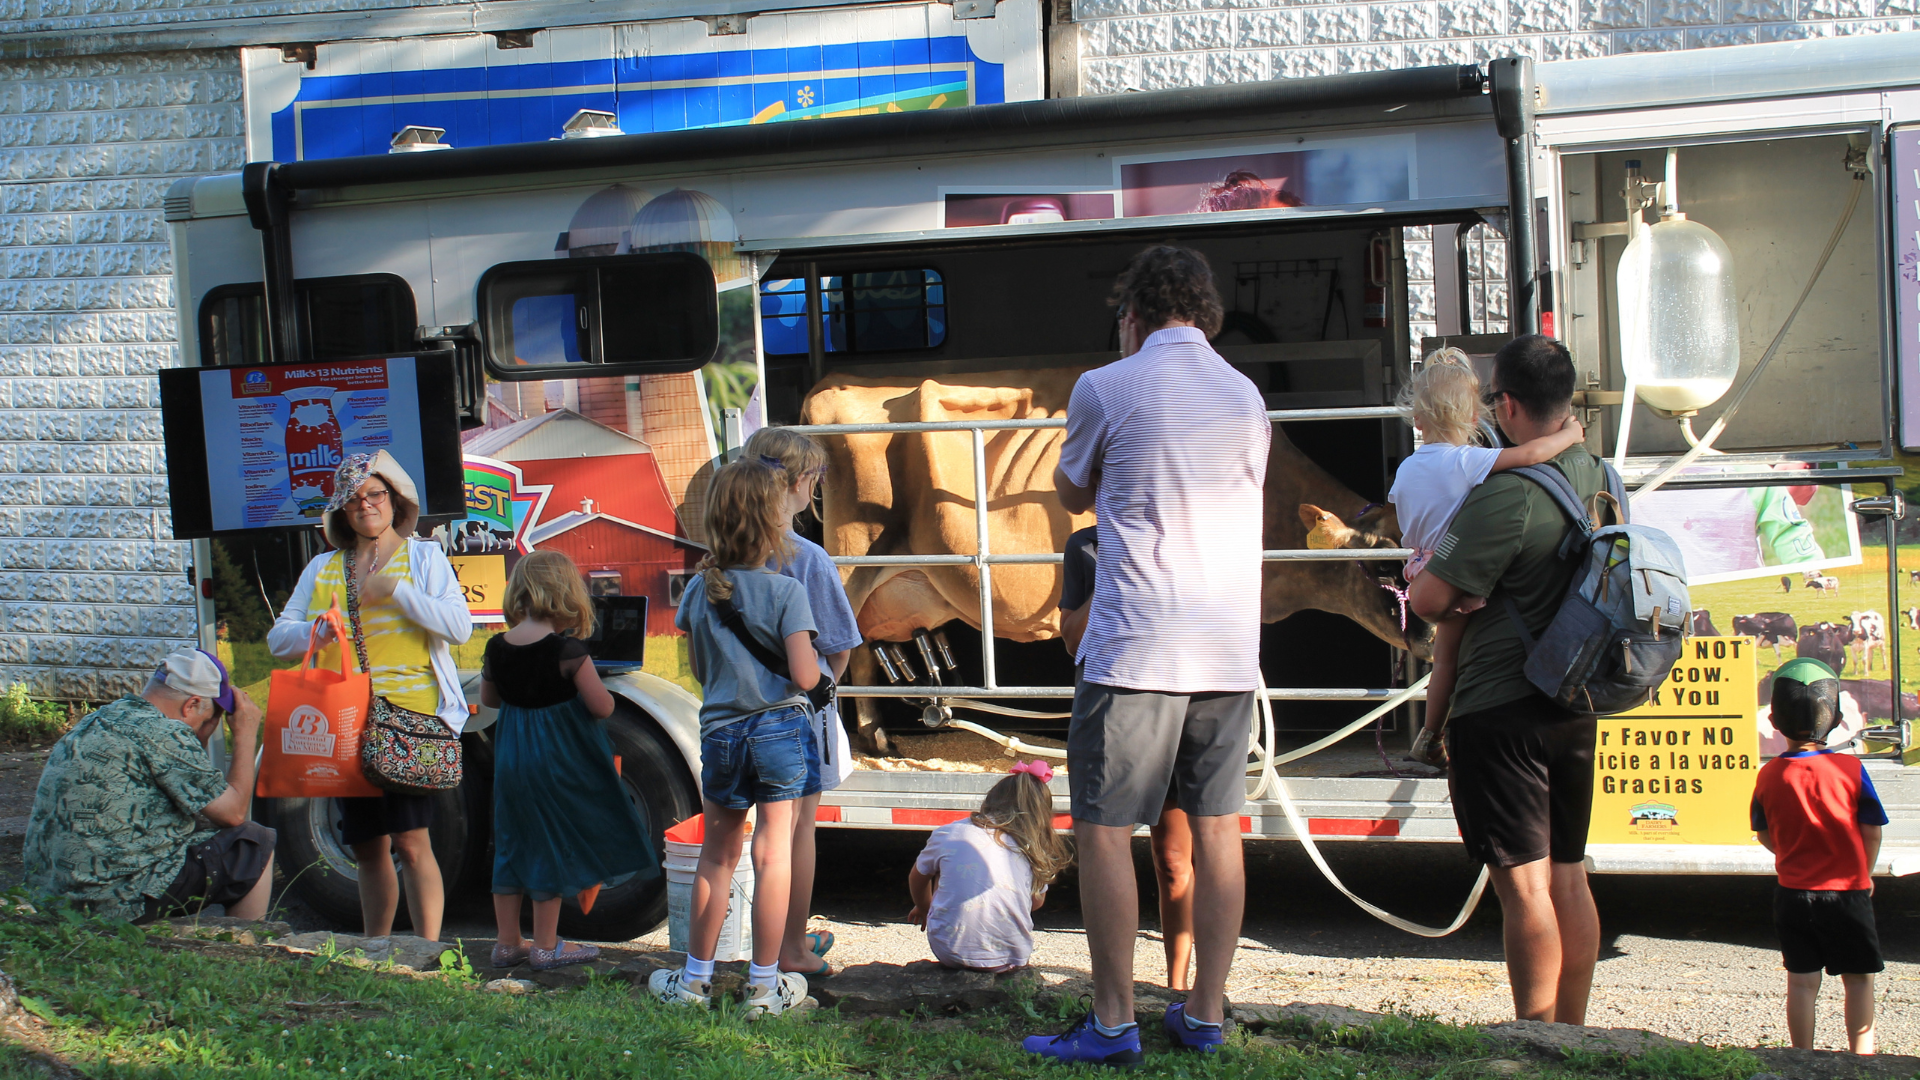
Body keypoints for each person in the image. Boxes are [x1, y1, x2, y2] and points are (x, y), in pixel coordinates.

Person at [1030, 244, 1270, 1064]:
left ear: (1132, 315)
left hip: (1136, 644)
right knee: (1218, 831)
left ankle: (1111, 1021)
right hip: (1229, 644)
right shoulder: (1246, 396)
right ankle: (1204, 1013)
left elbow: (1071, 490)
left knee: (1101, 831)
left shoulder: (1107, 384)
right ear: (1204, 315)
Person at [1407, 334, 1603, 1025]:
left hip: (1502, 710)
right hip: (1575, 703)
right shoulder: (1595, 473)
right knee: (1569, 873)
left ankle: (1537, 1037)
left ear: (1510, 404)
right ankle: (1573, 1034)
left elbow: (1430, 600)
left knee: (1525, 890)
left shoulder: (1504, 495)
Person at [268, 450, 474, 941]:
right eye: (354, 499)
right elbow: (279, 638)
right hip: (343, 722)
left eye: (375, 494)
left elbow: (460, 627)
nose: (366, 505)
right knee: (365, 845)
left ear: (394, 499)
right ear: (341, 511)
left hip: (410, 718)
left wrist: (398, 593)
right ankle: (375, 950)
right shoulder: (322, 567)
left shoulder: (423, 557)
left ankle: (428, 954)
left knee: (411, 839)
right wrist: (317, 633)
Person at [651, 458, 823, 1018]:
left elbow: (701, 669)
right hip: (778, 730)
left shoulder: (700, 593)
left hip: (722, 731)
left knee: (716, 858)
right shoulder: (786, 592)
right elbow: (804, 677)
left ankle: (694, 982)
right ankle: (765, 988)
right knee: (774, 856)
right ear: (773, 524)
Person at [1388, 349, 1586, 767]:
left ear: (1418, 419)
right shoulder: (1465, 461)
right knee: (1450, 661)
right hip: (1453, 569)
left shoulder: (1407, 468)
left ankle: (1431, 730)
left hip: (1420, 565)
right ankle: (1433, 734)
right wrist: (1570, 436)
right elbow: (1530, 456)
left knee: (1443, 658)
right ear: (1475, 419)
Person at [482, 550, 658, 970]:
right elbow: (602, 708)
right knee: (550, 844)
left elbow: (489, 700)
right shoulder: (568, 650)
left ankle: (507, 943)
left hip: (511, 762)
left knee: (511, 843)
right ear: (565, 595)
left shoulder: (496, 646)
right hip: (556, 764)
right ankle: (546, 945)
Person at [23, 649, 276, 923]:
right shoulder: (163, 733)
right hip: (108, 904)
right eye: (209, 720)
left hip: (52, 898)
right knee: (254, 842)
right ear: (190, 705)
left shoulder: (98, 719)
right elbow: (233, 813)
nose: (208, 730)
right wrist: (246, 734)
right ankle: (246, 944)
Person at [742, 426, 863, 981]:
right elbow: (837, 647)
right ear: (799, 483)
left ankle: (733, 953)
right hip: (797, 717)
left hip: (737, 715)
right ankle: (792, 945)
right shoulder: (807, 558)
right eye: (813, 480)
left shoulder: (724, 559)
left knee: (745, 840)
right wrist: (820, 696)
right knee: (797, 834)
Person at [1059, 524, 1196, 991]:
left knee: (1173, 857)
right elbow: (1072, 640)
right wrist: (1111, 578)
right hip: (1110, 708)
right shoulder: (1085, 544)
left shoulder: (1187, 530)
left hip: (1177, 700)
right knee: (1103, 846)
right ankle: (1116, 999)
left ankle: (1177, 989)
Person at [1751, 658, 1886, 1055]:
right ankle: (1863, 1059)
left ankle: (1802, 1058)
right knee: (1859, 979)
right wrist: (1865, 872)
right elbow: (1872, 832)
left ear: (1774, 720)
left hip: (1792, 894)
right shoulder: (1850, 768)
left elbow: (1764, 833)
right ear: (1838, 717)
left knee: (1801, 982)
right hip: (1848, 892)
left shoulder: (1769, 774)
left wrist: (1792, 853)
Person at [908, 762, 1072, 973]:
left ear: (990, 800)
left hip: (949, 950)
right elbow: (1035, 902)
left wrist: (924, 906)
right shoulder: (1034, 846)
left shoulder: (949, 832)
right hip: (1012, 956)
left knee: (945, 871)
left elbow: (917, 877)